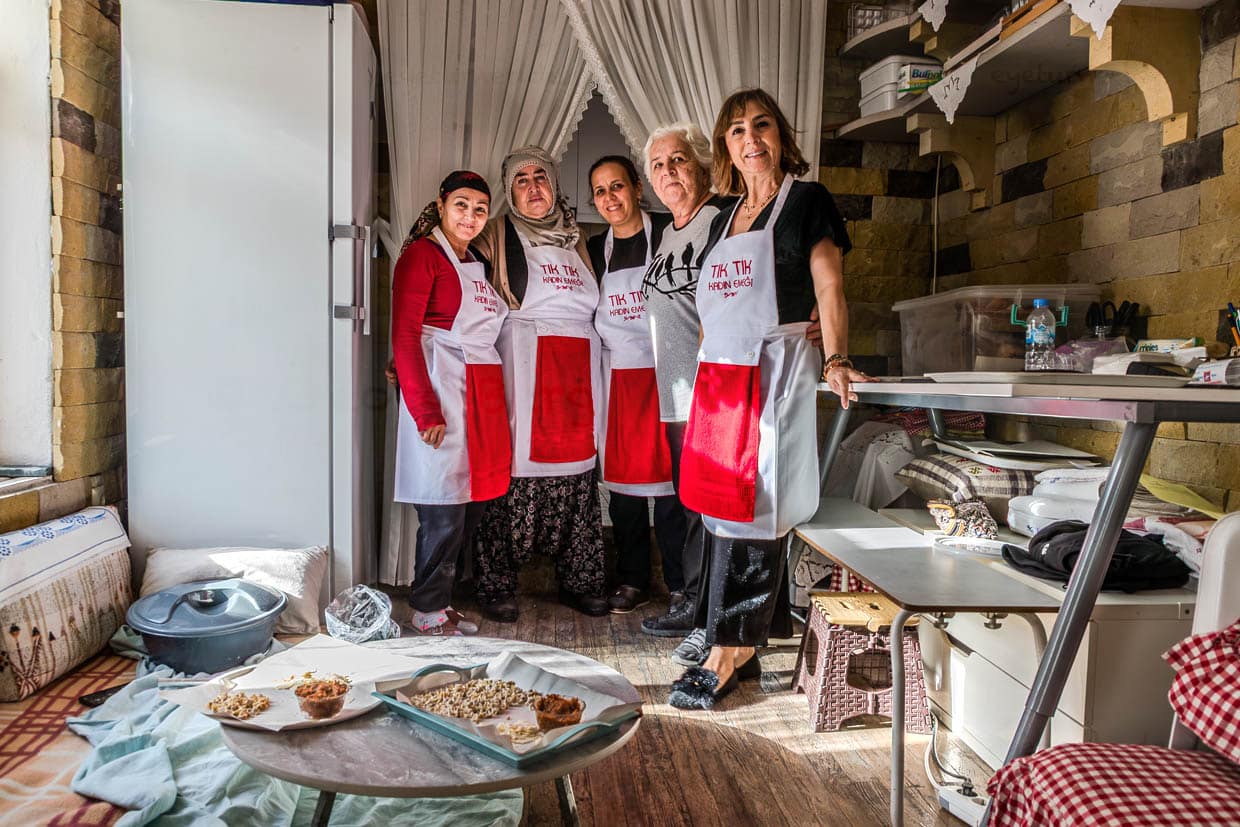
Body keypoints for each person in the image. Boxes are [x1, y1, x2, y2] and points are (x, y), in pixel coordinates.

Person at [668, 89, 873, 710]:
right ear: (724, 147)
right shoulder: (724, 217)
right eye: (736, 131)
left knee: (757, 504)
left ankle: (730, 648)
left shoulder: (807, 201)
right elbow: (712, 308)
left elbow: (829, 285)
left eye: (761, 126)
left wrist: (835, 356)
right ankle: (745, 634)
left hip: (774, 366)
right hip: (719, 375)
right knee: (716, 503)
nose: (750, 139)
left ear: (780, 135)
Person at [469, 146, 609, 621]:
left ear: (554, 184)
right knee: (516, 468)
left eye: (541, 177)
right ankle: (497, 584)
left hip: (579, 368)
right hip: (523, 362)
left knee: (578, 468)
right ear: (509, 190)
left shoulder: (580, 238)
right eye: (522, 179)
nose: (533, 187)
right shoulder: (492, 234)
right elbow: (443, 261)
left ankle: (580, 579)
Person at [391, 170, 511, 636]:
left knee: (468, 506)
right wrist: (424, 410)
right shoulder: (422, 257)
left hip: (478, 393)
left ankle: (441, 604)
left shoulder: (476, 259)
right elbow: (404, 335)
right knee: (442, 509)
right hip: (441, 389)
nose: (471, 216)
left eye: (480, 209)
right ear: (441, 205)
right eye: (461, 205)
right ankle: (425, 611)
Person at [636, 123, 736, 667]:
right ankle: (693, 603)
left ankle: (709, 620)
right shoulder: (668, 230)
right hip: (674, 394)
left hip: (710, 390)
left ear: (699, 164)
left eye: (677, 161)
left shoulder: (720, 221)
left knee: (709, 509)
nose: (668, 172)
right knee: (688, 504)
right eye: (658, 165)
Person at [585, 155, 686, 614]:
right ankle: (632, 580)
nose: (610, 198)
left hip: (670, 372)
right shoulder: (592, 250)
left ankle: (682, 582)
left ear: (637, 189)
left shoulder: (669, 233)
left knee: (672, 486)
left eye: (618, 187)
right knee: (624, 488)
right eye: (601, 191)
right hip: (619, 378)